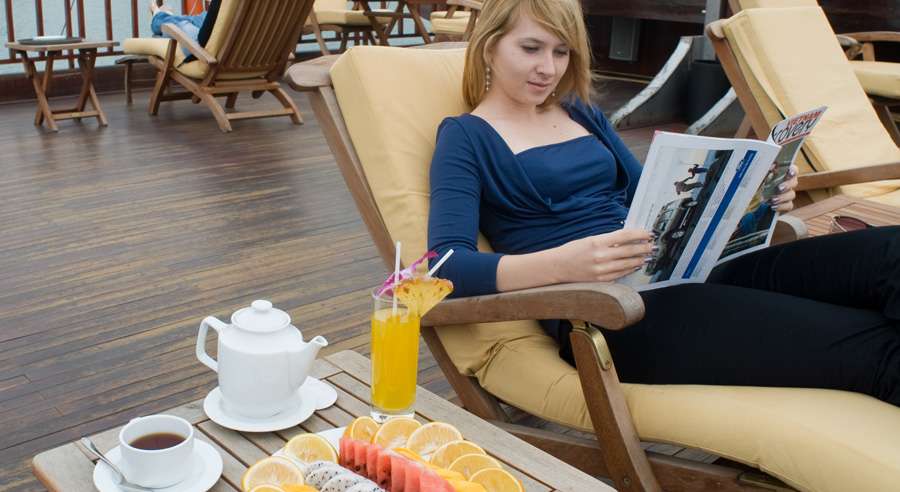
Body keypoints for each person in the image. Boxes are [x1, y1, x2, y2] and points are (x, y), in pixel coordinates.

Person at [427, 0, 900, 407]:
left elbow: (651, 198)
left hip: (678, 269)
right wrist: (565, 264)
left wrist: (758, 194)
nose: (548, 69)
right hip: (613, 314)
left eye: (560, 51)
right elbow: (445, 266)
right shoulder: (466, 136)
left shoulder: (580, 113)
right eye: (531, 48)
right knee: (871, 345)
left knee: (890, 253)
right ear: (489, 46)